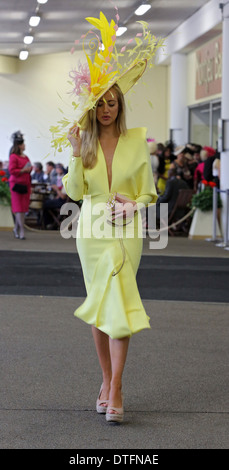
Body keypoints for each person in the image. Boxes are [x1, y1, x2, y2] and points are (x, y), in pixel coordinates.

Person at [59, 10, 161, 424]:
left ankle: (116, 387)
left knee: (119, 302)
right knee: (101, 306)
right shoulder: (83, 146)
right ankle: (107, 381)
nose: (105, 109)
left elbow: (151, 193)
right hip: (92, 231)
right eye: (99, 104)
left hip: (128, 229)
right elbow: (75, 193)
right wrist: (71, 152)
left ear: (120, 105)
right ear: (93, 107)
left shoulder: (138, 143)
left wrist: (133, 205)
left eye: (112, 103)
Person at [9, 131, 32, 239]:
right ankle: (22, 230)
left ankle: (16, 229)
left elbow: (30, 167)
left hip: (26, 184)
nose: (24, 145)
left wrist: (28, 169)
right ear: (19, 145)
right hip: (17, 185)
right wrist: (23, 170)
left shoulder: (25, 157)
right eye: (23, 144)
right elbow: (12, 170)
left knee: (23, 208)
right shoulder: (13, 156)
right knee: (18, 209)